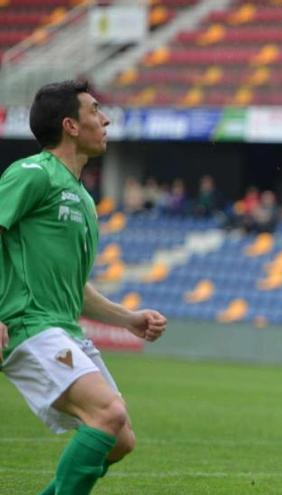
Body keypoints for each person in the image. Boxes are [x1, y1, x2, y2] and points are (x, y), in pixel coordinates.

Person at [0, 80, 167, 494]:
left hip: (62, 326)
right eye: (95, 111)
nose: (105, 119)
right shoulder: (32, 174)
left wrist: (127, 318)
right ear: (71, 125)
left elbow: (74, 286)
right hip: (28, 325)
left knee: (121, 437)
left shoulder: (83, 198)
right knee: (107, 414)